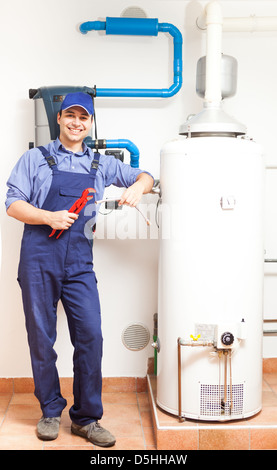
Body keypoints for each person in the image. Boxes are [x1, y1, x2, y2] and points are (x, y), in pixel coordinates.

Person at [5, 92, 154, 447]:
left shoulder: (102, 164)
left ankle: (86, 418)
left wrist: (137, 187)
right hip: (39, 257)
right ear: (59, 119)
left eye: (83, 117)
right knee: (42, 338)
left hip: (79, 263)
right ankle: (50, 411)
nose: (76, 122)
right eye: (70, 115)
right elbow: (12, 203)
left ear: (90, 123)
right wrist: (47, 217)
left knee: (91, 336)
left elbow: (148, 176)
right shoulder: (35, 158)